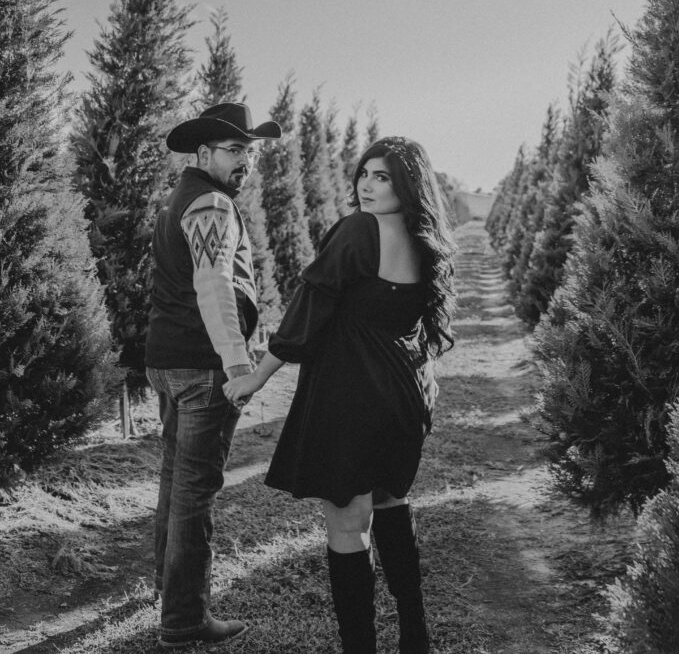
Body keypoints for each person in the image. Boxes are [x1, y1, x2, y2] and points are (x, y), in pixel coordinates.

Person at [225, 135, 456, 654]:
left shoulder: (358, 230)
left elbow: (309, 310)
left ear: (407, 184)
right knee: (392, 502)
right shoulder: (426, 240)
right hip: (402, 397)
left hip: (350, 398)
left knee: (348, 528)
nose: (366, 186)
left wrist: (255, 378)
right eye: (364, 174)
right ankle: (414, 637)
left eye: (383, 177)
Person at [145, 101, 281, 649]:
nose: (243, 160)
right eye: (233, 150)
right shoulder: (211, 204)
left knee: (176, 481)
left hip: (169, 360)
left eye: (249, 151)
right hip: (202, 368)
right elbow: (214, 285)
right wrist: (238, 363)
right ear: (203, 152)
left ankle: (166, 590)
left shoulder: (182, 197)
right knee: (194, 493)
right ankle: (184, 619)